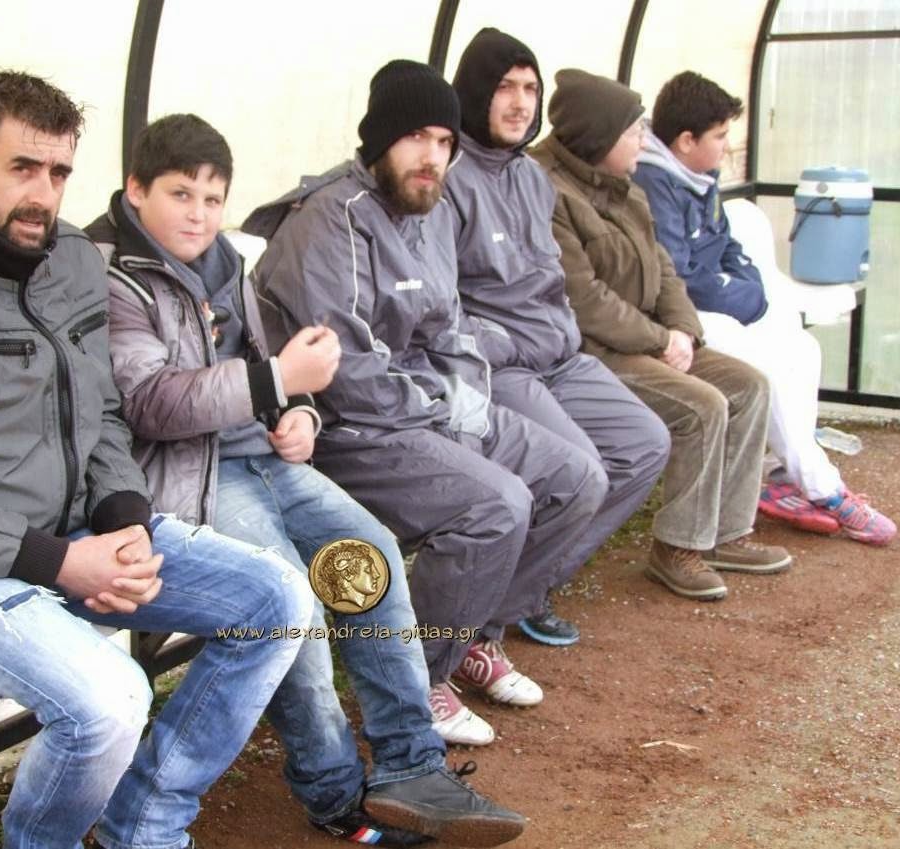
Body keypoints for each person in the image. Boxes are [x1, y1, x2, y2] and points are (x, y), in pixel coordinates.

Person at [0, 71, 314, 849]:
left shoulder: (73, 259)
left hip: (67, 535)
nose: (43, 194)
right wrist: (57, 561)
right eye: (21, 168)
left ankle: (143, 828)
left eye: (58, 172)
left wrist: (125, 518)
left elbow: (101, 413)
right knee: (112, 699)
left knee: (277, 597)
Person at [89, 113, 525, 848]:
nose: (198, 215)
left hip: (264, 459)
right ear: (136, 190)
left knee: (369, 558)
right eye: (179, 194)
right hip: (189, 478)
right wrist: (276, 382)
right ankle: (335, 792)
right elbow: (151, 403)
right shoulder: (112, 275)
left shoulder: (224, 261)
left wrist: (299, 415)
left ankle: (411, 769)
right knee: (295, 607)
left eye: (212, 199)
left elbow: (276, 376)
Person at [247, 60, 609, 748]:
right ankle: (420, 678)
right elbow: (347, 375)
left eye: (444, 141)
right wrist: (443, 407)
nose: (432, 157)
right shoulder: (330, 221)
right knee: (496, 505)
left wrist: (462, 397)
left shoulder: (430, 209)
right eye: (416, 137)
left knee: (577, 478)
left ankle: (470, 637)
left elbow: (449, 329)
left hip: (424, 407)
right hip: (346, 429)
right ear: (380, 138)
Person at [529, 69, 794, 602]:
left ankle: (725, 533)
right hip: (595, 351)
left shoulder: (623, 186)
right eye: (633, 132)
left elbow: (666, 268)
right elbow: (583, 299)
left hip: (650, 338)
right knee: (702, 406)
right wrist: (659, 339)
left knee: (750, 386)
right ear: (600, 137)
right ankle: (678, 548)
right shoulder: (550, 194)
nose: (643, 143)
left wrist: (683, 331)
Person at [444, 28, 670, 644]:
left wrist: (561, 331)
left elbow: (553, 281)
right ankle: (478, 627)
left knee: (646, 443)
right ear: (475, 91)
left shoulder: (531, 177)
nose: (521, 103)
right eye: (505, 87)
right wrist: (504, 344)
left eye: (530, 88)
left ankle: (521, 590)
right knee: (582, 470)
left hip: (561, 355)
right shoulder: (448, 178)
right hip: (501, 366)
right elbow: (440, 304)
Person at [632, 70, 896, 545]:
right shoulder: (652, 182)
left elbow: (726, 245)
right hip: (675, 318)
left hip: (717, 302)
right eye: (720, 136)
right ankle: (823, 488)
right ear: (686, 141)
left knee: (803, 350)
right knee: (765, 367)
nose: (727, 147)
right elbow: (679, 277)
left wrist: (747, 288)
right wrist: (741, 295)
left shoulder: (698, 175)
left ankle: (780, 476)